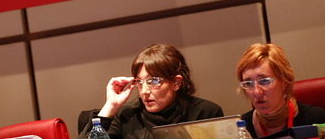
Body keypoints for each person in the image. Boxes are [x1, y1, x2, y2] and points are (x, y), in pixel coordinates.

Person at [79, 44, 224, 139]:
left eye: (153, 81)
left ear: (176, 82)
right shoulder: (127, 115)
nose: (144, 91)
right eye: (139, 82)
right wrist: (111, 106)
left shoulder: (205, 113)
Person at [235, 43, 325, 138]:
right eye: (248, 84)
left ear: (284, 82)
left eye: (264, 81)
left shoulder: (317, 120)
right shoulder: (240, 128)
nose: (257, 92)